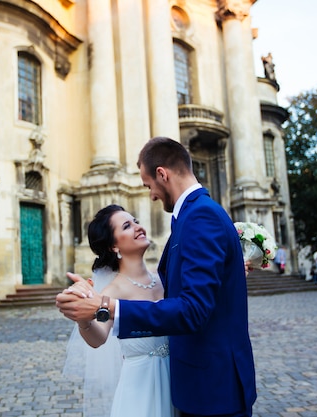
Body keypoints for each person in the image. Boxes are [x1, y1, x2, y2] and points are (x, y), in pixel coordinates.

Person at [57, 136, 256, 417]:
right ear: (114, 246)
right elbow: (101, 328)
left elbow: (194, 305)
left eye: (149, 185)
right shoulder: (115, 288)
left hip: (206, 386)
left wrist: (105, 306)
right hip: (154, 389)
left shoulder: (197, 219)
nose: (151, 195)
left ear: (162, 174)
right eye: (127, 226)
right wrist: (87, 315)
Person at [63, 204, 177, 417]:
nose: (138, 227)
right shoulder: (111, 290)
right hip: (141, 387)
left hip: (179, 380)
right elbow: (98, 338)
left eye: (135, 220)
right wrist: (83, 320)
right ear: (113, 247)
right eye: (127, 226)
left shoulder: (164, 277)